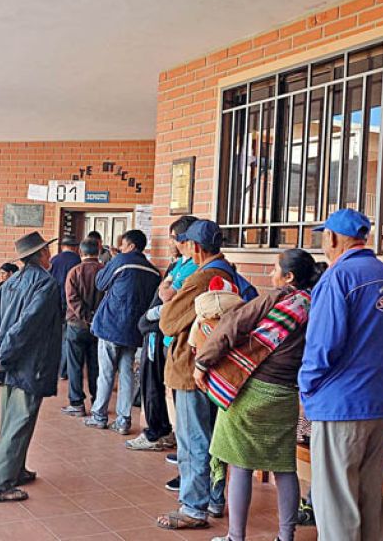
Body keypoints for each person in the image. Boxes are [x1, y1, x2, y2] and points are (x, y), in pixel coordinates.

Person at [194, 249, 322, 541]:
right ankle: (286, 537)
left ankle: (235, 537)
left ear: (289, 277)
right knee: (284, 466)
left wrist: (202, 363)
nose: (271, 274)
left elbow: (232, 324)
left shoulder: (276, 298)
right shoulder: (317, 306)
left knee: (240, 464)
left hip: (251, 391)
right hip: (286, 394)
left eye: (275, 269)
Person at [300, 208, 383, 541]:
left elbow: (322, 346)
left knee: (336, 507)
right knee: (369, 501)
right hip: (378, 401)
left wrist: (306, 388)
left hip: (340, 405)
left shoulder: (337, 277)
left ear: (332, 238)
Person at [156, 220, 257, 530]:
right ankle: (213, 499)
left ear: (195, 247)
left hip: (192, 368)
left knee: (193, 440)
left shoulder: (202, 278)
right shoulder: (229, 273)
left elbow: (168, 321)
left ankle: (193, 507)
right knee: (213, 440)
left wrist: (167, 301)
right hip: (218, 369)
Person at [297, 347, 383, 527]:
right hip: (382, 446)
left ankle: (325, 511)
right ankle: (314, 507)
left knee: (343, 464)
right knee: (332, 458)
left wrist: (380, 428)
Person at [0, 231, 63, 503]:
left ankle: (16, 469)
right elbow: (28, 325)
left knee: (11, 418)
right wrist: (2, 354)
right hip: (30, 362)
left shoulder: (10, 282)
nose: (50, 255)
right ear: (41, 254)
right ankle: (0, 484)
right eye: (47, 251)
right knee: (20, 420)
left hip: (9, 362)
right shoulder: (46, 284)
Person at [126, 215, 198, 452]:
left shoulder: (194, 267)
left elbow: (168, 297)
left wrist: (150, 315)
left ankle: (158, 433)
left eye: (173, 238)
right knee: (154, 381)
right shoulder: (179, 264)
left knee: (158, 386)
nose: (170, 242)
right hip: (159, 333)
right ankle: (163, 430)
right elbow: (164, 289)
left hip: (166, 333)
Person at [85, 229, 160, 435]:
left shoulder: (121, 261)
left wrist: (113, 260)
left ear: (131, 246)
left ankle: (99, 415)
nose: (121, 248)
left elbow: (100, 282)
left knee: (106, 373)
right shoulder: (154, 271)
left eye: (124, 244)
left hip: (111, 325)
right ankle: (123, 420)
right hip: (134, 330)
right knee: (126, 373)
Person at [61, 238, 104, 417]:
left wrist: (86, 317)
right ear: (98, 252)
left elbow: (72, 299)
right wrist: (95, 318)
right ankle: (97, 402)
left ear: (80, 252)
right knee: (96, 366)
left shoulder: (75, 272)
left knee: (75, 366)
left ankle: (77, 403)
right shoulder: (104, 270)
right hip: (99, 327)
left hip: (76, 325)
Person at [50, 237, 81, 379]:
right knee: (67, 337)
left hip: (54, 302)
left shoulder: (53, 260)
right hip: (72, 305)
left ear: (62, 246)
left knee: (55, 335)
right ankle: (64, 370)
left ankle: (54, 367)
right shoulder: (78, 261)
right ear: (75, 247)